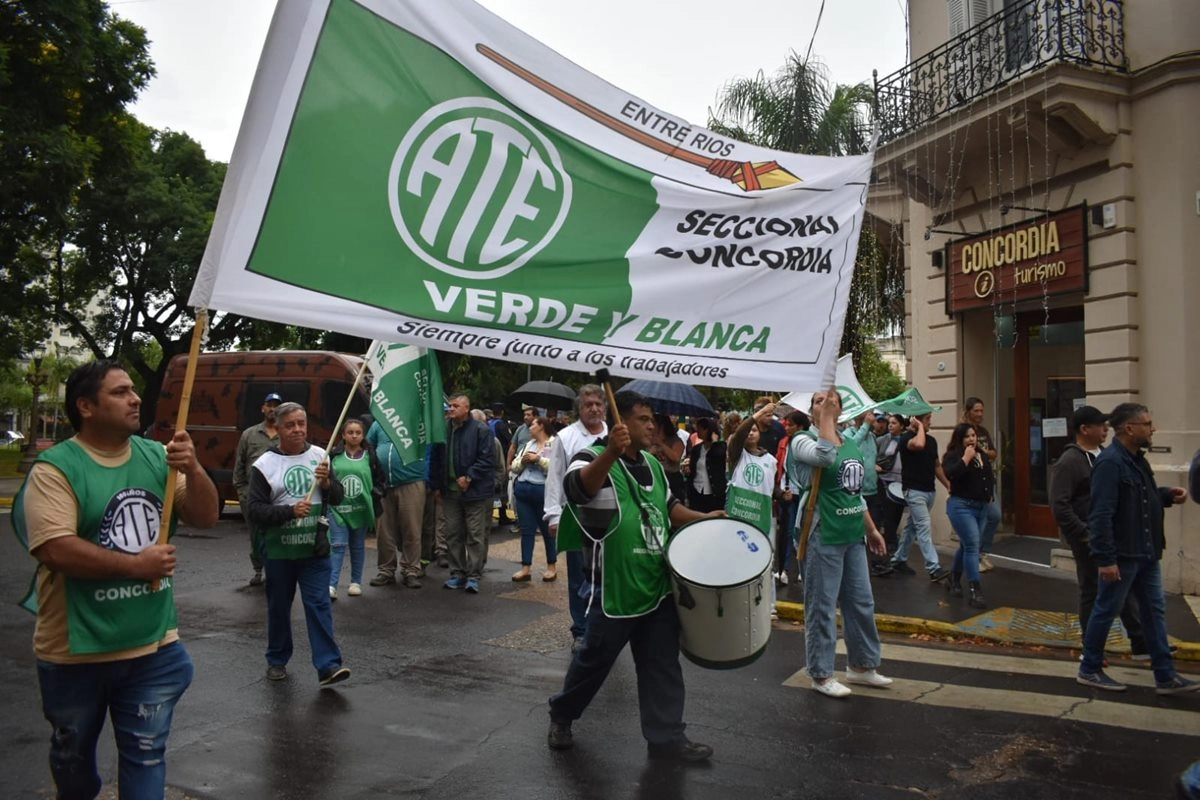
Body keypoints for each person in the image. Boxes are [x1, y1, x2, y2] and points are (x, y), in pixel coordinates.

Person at [15, 360, 219, 798]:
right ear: (86, 406)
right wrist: (135, 567)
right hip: (75, 652)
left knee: (146, 755)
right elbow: (54, 547)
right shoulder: (56, 468)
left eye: (133, 390)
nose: (136, 398)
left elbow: (205, 516)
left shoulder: (157, 456)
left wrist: (195, 470)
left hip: (153, 647)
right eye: (121, 391)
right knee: (72, 761)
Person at [546, 391, 719, 761]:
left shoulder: (655, 467)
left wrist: (703, 519)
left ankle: (666, 737)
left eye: (651, 418)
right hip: (614, 591)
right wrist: (609, 451)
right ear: (621, 422)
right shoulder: (592, 457)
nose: (652, 425)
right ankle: (562, 713)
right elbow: (576, 490)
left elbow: (669, 508)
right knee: (593, 662)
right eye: (643, 419)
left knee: (662, 666)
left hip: (655, 588)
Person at [1075, 403, 1197, 694]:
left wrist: (1166, 495)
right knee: (1106, 610)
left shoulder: (1136, 460)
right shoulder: (1110, 463)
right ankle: (1089, 668)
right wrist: (1105, 559)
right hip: (1123, 554)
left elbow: (1142, 497)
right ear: (1130, 429)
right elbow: (1100, 514)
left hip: (1146, 551)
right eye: (1147, 424)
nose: (1152, 429)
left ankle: (1165, 676)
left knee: (1154, 612)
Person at [790, 388, 892, 698]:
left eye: (831, 399)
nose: (825, 402)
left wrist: (872, 530)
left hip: (852, 534)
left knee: (861, 602)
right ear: (811, 411)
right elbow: (824, 456)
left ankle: (861, 666)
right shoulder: (802, 440)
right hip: (823, 534)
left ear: (841, 407)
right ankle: (820, 674)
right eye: (819, 401)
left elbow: (854, 493)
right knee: (821, 606)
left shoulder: (849, 442)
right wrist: (826, 420)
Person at [246, 401, 350, 686]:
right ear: (277, 429)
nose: (297, 430)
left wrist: (328, 483)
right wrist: (288, 512)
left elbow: (338, 497)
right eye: (290, 425)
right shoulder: (264, 465)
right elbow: (253, 509)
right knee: (279, 606)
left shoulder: (320, 456)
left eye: (301, 424)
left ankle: (328, 666)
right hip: (279, 551)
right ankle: (277, 659)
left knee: (318, 604)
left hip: (314, 549)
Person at [1050, 406, 1149, 657]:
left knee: (1121, 587)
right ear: (1085, 429)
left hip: (1110, 534)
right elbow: (1060, 505)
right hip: (1086, 538)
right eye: (1101, 425)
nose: (1106, 430)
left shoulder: (1106, 455)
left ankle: (1138, 640)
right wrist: (1084, 533)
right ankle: (1091, 648)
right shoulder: (1069, 461)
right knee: (1092, 590)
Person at [544, 385, 608, 651]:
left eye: (597, 404)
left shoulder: (615, 436)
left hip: (610, 519)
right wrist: (553, 516)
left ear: (604, 407)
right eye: (587, 404)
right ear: (579, 409)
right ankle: (580, 630)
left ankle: (604, 629)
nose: (593, 408)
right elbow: (555, 477)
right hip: (577, 517)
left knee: (607, 576)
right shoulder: (566, 437)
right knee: (580, 579)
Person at [888, 412, 952, 581]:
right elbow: (918, 445)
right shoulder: (906, 438)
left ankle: (898, 559)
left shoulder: (932, 441)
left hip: (929, 490)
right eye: (927, 419)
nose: (930, 422)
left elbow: (937, 465)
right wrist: (920, 428)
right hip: (914, 491)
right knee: (923, 526)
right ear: (916, 421)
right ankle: (934, 567)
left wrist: (947, 484)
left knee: (913, 527)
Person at [442, 394, 495, 593]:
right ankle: (457, 573)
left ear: (467, 408)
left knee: (475, 535)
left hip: (475, 492)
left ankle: (473, 575)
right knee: (453, 533)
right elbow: (439, 457)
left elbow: (487, 459)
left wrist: (469, 477)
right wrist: (439, 485)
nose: (451, 409)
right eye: (449, 405)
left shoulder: (481, 430)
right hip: (450, 491)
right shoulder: (445, 429)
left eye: (455, 405)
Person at [367, 415, 428, 589]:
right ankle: (386, 570)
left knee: (412, 528)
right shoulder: (378, 424)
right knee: (383, 531)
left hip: (411, 481)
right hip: (383, 484)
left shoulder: (417, 421)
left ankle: (411, 570)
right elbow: (368, 446)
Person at [328, 418, 385, 600]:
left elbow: (379, 479)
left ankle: (355, 582)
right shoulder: (333, 455)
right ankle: (331, 584)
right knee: (337, 545)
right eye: (350, 432)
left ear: (363, 435)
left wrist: (375, 495)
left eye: (358, 432)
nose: (354, 436)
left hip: (361, 509)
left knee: (358, 546)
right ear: (343, 435)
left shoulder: (370, 456)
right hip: (338, 509)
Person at [941, 422, 995, 608]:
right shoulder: (953, 456)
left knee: (967, 545)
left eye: (973, 435)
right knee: (973, 545)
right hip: (961, 505)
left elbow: (988, 477)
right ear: (960, 438)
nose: (971, 439)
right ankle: (975, 590)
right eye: (967, 436)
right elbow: (950, 474)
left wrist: (990, 496)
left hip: (981, 506)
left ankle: (953, 579)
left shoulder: (982, 455)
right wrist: (965, 459)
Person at [233, 391, 282, 586]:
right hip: (252, 497)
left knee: (276, 534)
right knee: (256, 535)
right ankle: (258, 569)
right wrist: (243, 494)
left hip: (277, 496)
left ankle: (275, 569)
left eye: (276, 405)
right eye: (269, 405)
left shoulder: (284, 433)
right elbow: (239, 466)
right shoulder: (250, 434)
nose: (273, 409)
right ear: (263, 408)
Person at [510, 415, 557, 582]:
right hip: (523, 490)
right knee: (527, 530)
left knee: (548, 531)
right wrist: (523, 461)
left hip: (543, 492)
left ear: (542, 426)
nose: (530, 427)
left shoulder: (554, 443)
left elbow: (556, 468)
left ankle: (551, 566)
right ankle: (525, 567)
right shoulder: (529, 444)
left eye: (533, 424)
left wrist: (538, 459)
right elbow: (515, 467)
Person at [962, 397, 1001, 572]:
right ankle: (974, 557)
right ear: (968, 411)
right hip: (973, 482)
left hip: (987, 480)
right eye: (976, 411)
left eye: (981, 411)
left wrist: (983, 450)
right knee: (981, 519)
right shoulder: (961, 431)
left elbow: (994, 454)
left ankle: (982, 552)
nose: (979, 414)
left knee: (995, 516)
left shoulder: (983, 432)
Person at [775, 410, 811, 584]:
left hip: (802, 493)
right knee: (787, 532)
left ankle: (802, 568)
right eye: (786, 424)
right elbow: (780, 466)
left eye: (790, 425)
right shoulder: (784, 443)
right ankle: (785, 569)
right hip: (786, 492)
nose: (787, 428)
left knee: (802, 532)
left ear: (800, 426)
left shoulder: (808, 443)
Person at [870, 413, 906, 575]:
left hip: (901, 484)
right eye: (889, 423)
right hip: (884, 482)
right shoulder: (882, 440)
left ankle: (893, 556)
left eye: (894, 423)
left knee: (896, 517)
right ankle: (886, 556)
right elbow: (873, 455)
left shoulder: (906, 440)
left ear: (902, 426)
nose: (890, 426)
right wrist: (874, 465)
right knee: (888, 519)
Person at [686, 417, 726, 512]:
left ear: (709, 430)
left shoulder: (720, 446)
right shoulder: (697, 448)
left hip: (714, 494)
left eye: (701, 428)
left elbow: (719, 456)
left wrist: (714, 442)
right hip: (697, 491)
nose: (698, 431)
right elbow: (693, 468)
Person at [489, 402, 515, 525]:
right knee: (502, 490)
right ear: (502, 412)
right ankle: (503, 515)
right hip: (502, 459)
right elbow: (510, 441)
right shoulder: (501, 425)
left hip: (490, 459)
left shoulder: (489, 423)